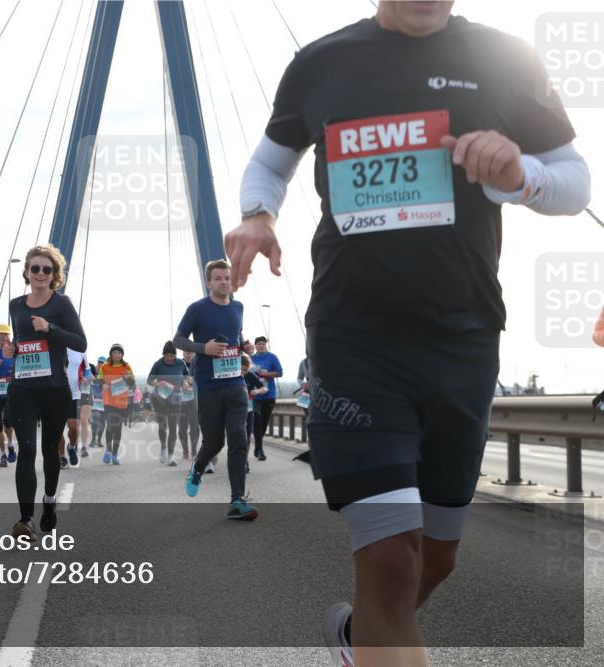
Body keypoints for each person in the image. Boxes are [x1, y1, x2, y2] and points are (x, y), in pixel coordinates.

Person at [225, 2, 591, 664]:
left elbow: (574, 181)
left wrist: (521, 175)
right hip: (353, 336)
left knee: (437, 558)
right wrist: (257, 216)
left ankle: (357, 638)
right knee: (393, 557)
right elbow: (269, 163)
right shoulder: (321, 64)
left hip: (463, 338)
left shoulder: (505, 59)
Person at [7, 245, 87, 539]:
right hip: (23, 387)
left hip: (54, 388)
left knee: (50, 449)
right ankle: (25, 519)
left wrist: (50, 328)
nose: (40, 274)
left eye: (47, 269)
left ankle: (50, 501)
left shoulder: (61, 305)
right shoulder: (16, 305)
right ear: (26, 272)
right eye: (35, 268)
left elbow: (80, 342)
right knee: (27, 449)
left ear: (55, 275)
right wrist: (11, 348)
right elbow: (19, 341)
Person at [175, 260, 259, 520]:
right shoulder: (197, 309)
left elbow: (236, 333)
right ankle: (198, 468)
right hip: (209, 386)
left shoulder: (238, 307)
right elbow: (177, 339)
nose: (224, 282)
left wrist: (245, 345)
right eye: (219, 278)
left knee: (238, 439)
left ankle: (237, 500)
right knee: (214, 442)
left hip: (235, 383)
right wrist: (203, 348)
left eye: (227, 278)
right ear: (209, 282)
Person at [147, 341, 188, 466]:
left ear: (175, 355)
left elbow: (186, 376)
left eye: (172, 355)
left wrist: (185, 383)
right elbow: (149, 379)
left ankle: (171, 456)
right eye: (167, 356)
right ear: (163, 355)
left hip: (176, 399)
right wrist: (157, 383)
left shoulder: (181, 363)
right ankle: (163, 447)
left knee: (173, 427)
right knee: (163, 426)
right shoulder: (158, 364)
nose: (170, 358)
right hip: (160, 399)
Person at [98, 344, 135, 465]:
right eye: (114, 352)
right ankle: (108, 451)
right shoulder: (105, 366)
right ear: (111, 354)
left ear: (122, 355)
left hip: (121, 401)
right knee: (110, 425)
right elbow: (99, 379)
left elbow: (132, 383)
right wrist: (102, 383)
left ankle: (114, 454)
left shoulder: (127, 366)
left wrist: (128, 378)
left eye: (119, 352)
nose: (117, 354)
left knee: (117, 429)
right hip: (108, 400)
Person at [250, 336, 283, 461]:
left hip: (269, 395)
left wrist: (265, 374)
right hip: (255, 396)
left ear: (266, 345)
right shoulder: (251, 358)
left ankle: (258, 447)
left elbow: (280, 372)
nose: (260, 346)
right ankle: (260, 450)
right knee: (257, 423)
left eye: (263, 343)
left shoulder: (272, 357)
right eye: (258, 344)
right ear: (255, 346)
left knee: (263, 424)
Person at [0, 323, 17, 464]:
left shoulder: (12, 350)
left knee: (7, 421)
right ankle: (2, 455)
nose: (3, 337)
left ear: (9, 336)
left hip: (10, 392)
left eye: (6, 334)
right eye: (1, 334)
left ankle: (11, 444)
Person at [60, 348, 89, 469]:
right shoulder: (53, 343)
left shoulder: (80, 348)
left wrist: (86, 378)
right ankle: (62, 456)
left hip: (75, 394)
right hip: (55, 394)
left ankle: (71, 446)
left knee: (74, 427)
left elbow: (87, 371)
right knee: (57, 429)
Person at [241, 353, 268, 472]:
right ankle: (236, 459)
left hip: (248, 411)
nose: (243, 372)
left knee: (247, 437)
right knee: (237, 437)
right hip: (234, 411)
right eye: (240, 370)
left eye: (245, 370)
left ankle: (244, 462)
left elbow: (264, 388)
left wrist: (257, 391)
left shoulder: (251, 376)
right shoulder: (232, 376)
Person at [178, 350, 200, 460]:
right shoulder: (178, 364)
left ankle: (194, 450)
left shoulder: (198, 364)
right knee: (182, 428)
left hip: (194, 400)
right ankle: (185, 450)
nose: (188, 353)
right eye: (186, 351)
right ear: (182, 353)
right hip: (180, 401)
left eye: (190, 351)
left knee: (194, 427)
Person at [90, 356, 106, 448]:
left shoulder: (106, 374)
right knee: (95, 420)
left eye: (103, 363)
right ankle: (93, 439)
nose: (100, 364)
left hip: (104, 402)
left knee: (103, 422)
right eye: (99, 362)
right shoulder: (93, 371)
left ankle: (99, 440)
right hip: (95, 401)